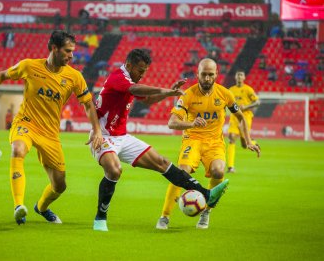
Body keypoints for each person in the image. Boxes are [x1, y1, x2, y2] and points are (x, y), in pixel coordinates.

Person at [0, 30, 103, 225]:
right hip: (26, 123)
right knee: (18, 149)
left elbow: (88, 104)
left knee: (60, 185)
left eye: (72, 51)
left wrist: (97, 130)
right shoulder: (29, 66)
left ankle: (42, 207)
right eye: (67, 51)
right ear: (54, 48)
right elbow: (2, 75)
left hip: (50, 133)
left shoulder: (75, 77)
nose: (71, 55)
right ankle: (18, 207)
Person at [89, 49, 230, 232]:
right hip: (102, 136)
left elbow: (147, 101)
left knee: (162, 162)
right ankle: (100, 217)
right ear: (129, 65)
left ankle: (207, 194)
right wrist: (163, 89)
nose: (142, 74)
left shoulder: (130, 79)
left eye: (145, 71)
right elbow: (135, 89)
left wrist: (169, 93)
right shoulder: (118, 77)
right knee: (115, 170)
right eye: (140, 70)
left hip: (121, 137)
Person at [155, 59, 261, 230]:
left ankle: (206, 213)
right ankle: (164, 217)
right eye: (203, 74)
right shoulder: (188, 95)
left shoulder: (225, 94)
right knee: (181, 173)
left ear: (216, 75)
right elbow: (172, 122)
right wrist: (191, 124)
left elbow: (241, 117)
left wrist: (248, 140)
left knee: (219, 171)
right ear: (197, 74)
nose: (207, 78)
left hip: (215, 143)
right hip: (193, 140)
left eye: (210, 74)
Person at [227, 70, 261, 173]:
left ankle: (254, 143)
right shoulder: (231, 90)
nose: (239, 77)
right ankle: (231, 167)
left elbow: (257, 102)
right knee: (231, 138)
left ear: (244, 77)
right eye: (238, 75)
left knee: (244, 144)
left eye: (241, 75)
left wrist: (246, 107)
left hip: (245, 117)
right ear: (235, 77)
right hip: (234, 116)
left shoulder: (248, 89)